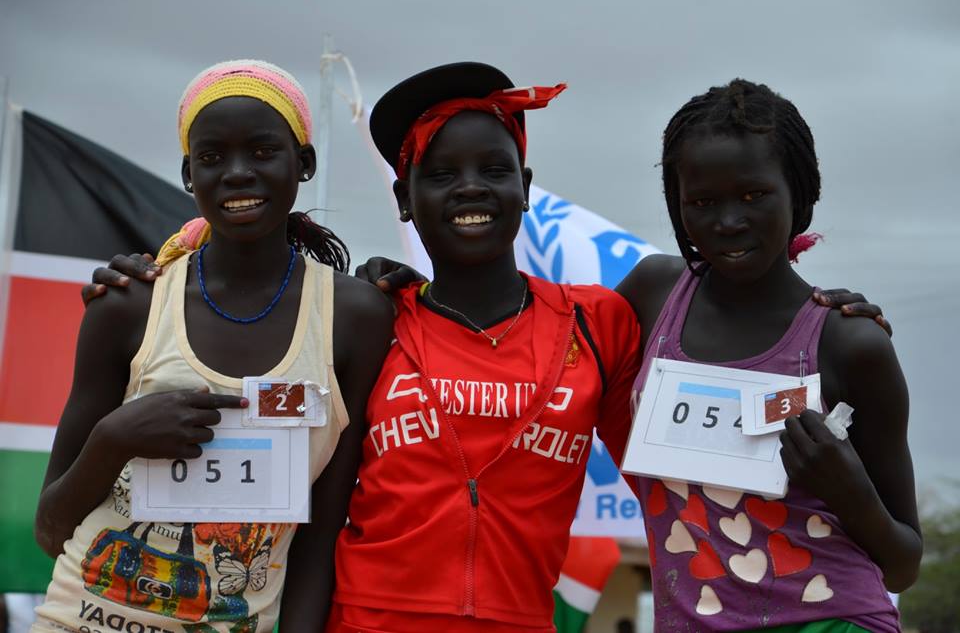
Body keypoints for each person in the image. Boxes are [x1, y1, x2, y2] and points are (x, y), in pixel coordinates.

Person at [84, 64, 891, 632]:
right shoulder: (370, 313)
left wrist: (829, 310)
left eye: (493, 169)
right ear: (405, 198)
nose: (470, 187)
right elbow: (258, 302)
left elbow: (729, 293)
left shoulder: (603, 319)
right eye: (441, 173)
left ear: (525, 186)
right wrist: (155, 265)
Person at [31, 60, 393, 633]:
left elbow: (320, 535)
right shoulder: (129, 307)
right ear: (187, 174)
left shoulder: (354, 318)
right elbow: (51, 532)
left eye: (263, 151)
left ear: (304, 165)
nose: (238, 173)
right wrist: (115, 438)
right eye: (213, 157)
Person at [612, 79, 919, 631]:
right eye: (702, 202)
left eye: (753, 195)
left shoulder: (849, 344)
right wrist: (417, 294)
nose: (729, 221)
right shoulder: (650, 296)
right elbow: (536, 335)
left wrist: (849, 490)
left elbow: (904, 565)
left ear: (798, 195)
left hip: (835, 620)